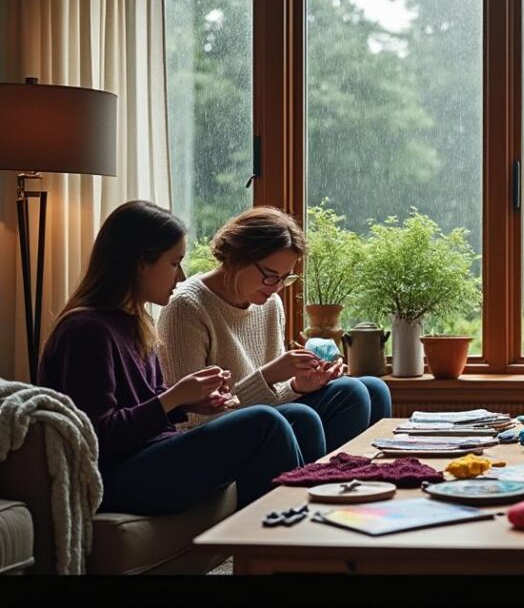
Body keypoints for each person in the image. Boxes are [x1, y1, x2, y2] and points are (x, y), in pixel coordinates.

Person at [37, 200, 305, 514]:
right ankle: (277, 549)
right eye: (174, 263)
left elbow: (144, 406)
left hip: (152, 452)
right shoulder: (86, 331)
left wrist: (189, 403)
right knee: (265, 423)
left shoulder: (136, 322)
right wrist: (173, 399)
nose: (180, 277)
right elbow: (99, 438)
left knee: (298, 418)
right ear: (141, 263)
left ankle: (305, 537)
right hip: (114, 476)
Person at [157, 207, 391, 463]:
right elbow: (191, 416)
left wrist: (298, 384)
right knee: (345, 395)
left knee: (373, 388)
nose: (278, 288)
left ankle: (366, 482)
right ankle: (328, 488)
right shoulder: (186, 307)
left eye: (285, 278)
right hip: (213, 433)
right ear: (237, 258)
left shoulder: (269, 304)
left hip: (263, 416)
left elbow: (274, 395)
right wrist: (268, 376)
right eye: (270, 276)